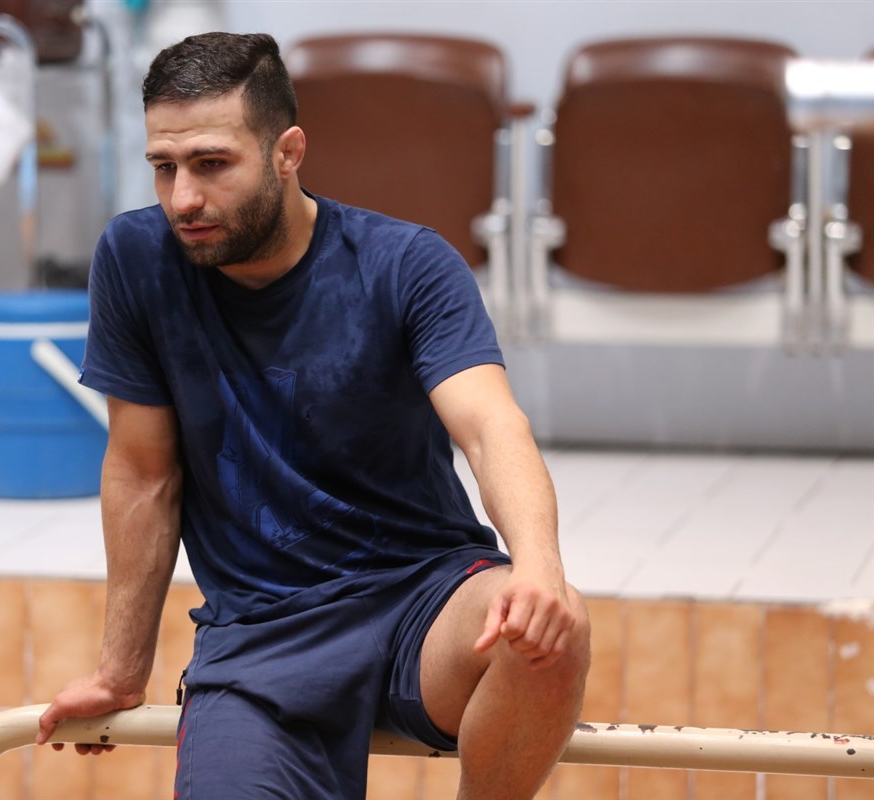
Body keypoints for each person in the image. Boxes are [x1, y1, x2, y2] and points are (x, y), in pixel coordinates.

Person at [37, 31, 590, 799]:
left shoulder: (406, 263)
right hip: (259, 635)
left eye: (211, 163)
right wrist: (120, 671)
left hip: (421, 599)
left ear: (287, 152)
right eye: (164, 167)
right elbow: (141, 473)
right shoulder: (136, 259)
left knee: (549, 632)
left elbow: (490, 426)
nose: (183, 198)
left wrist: (539, 568)